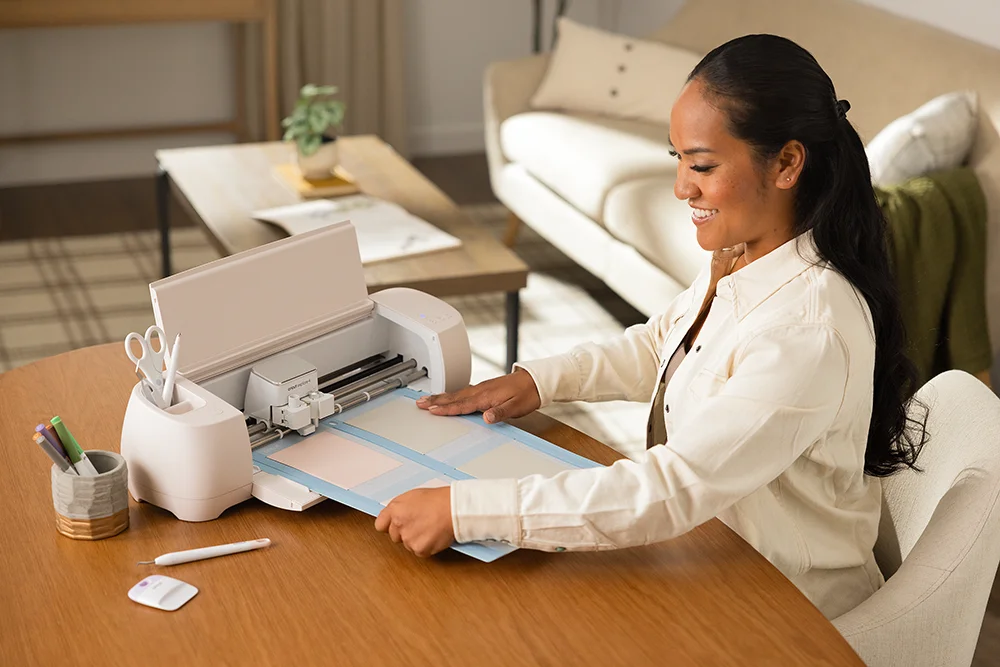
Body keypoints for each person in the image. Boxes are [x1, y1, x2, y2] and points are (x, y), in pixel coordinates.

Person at [374, 34, 928, 619]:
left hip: (789, 613)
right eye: (679, 159)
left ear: (788, 162)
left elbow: (670, 489)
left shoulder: (807, 330)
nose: (681, 187)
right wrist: (538, 383)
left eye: (703, 165)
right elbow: (665, 340)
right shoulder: (744, 256)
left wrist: (465, 510)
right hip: (713, 553)